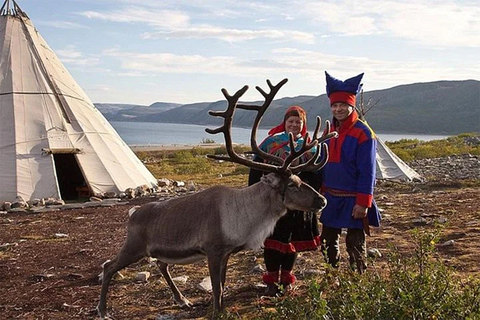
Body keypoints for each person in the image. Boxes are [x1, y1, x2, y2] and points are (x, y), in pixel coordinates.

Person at [248, 105, 322, 296]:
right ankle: (271, 282)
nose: (294, 125)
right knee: (271, 239)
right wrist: (254, 195)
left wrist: (303, 188)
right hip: (272, 200)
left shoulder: (310, 146)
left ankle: (286, 280)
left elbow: (316, 175)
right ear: (285, 123)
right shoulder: (271, 143)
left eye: (298, 122)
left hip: (299, 201)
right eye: (291, 121)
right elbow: (256, 169)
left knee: (291, 242)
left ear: (303, 124)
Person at [319, 71, 381, 274]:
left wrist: (363, 202)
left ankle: (357, 284)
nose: (338, 109)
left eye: (342, 105)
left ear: (351, 106)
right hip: (331, 197)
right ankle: (332, 276)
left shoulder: (364, 133)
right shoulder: (328, 132)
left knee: (355, 244)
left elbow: (368, 172)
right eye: (334, 106)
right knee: (328, 242)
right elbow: (322, 163)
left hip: (354, 198)